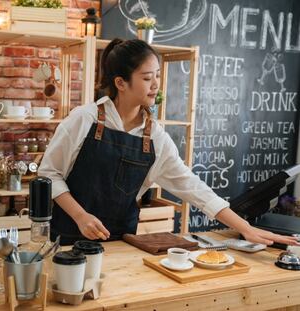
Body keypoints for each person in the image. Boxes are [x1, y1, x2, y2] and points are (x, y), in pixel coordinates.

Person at [38, 38, 300, 247]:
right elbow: (49, 174)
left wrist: (245, 228)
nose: (156, 85)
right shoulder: (84, 119)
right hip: (67, 240)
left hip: (119, 243)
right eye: (146, 78)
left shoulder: (155, 138)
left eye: (157, 76)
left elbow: (192, 187)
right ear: (121, 83)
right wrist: (80, 216)